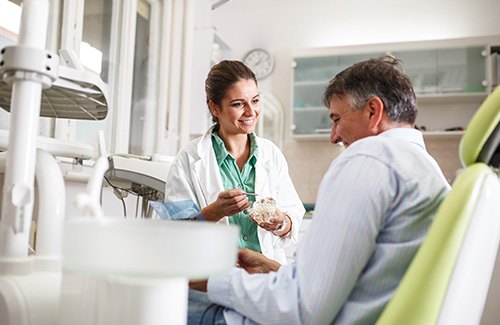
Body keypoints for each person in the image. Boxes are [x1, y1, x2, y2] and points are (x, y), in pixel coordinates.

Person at [187, 56, 451, 324]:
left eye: (337, 119)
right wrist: (274, 268)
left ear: (373, 111)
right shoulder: (425, 166)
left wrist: (217, 279)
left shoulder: (368, 160)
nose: (333, 136)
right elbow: (343, 282)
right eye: (238, 103)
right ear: (215, 108)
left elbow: (301, 306)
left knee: (169, 299)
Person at [165, 60, 305, 265]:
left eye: (255, 100)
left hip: (265, 277)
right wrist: (216, 211)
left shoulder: (271, 155)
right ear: (214, 107)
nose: (251, 112)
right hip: (213, 277)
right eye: (238, 104)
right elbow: (175, 232)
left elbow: (293, 216)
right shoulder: (189, 158)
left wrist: (280, 222)